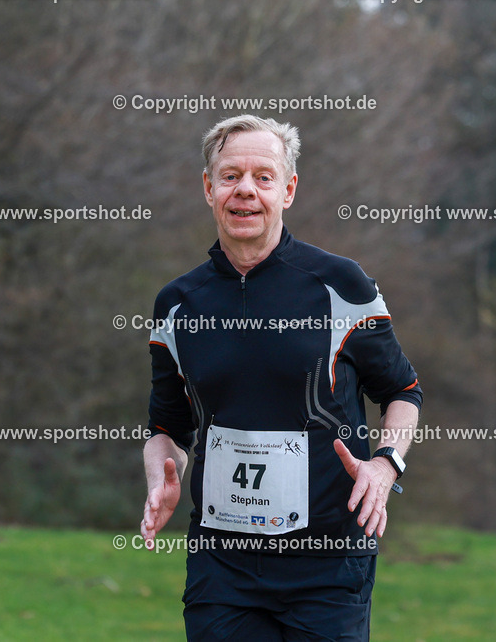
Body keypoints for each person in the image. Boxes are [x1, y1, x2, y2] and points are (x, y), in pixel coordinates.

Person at [140, 115, 423, 640]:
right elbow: (168, 427)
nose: (245, 189)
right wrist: (162, 473)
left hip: (328, 562)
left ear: (288, 190)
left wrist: (385, 466)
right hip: (222, 564)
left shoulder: (341, 285)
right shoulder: (177, 305)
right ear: (208, 189)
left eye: (263, 177)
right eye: (229, 176)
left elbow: (403, 391)